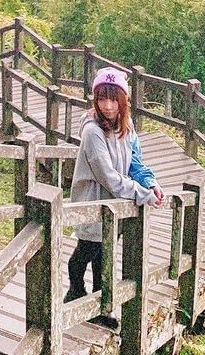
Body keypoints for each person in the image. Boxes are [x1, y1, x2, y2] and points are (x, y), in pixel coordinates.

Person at [66, 66, 165, 324]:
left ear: (124, 100)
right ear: (95, 99)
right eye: (101, 98)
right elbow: (108, 177)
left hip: (115, 203)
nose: (108, 106)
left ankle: (99, 307)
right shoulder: (92, 132)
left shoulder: (126, 125)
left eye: (113, 98)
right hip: (93, 201)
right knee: (87, 251)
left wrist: (150, 183)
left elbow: (135, 162)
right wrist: (142, 194)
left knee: (103, 255)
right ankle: (76, 292)